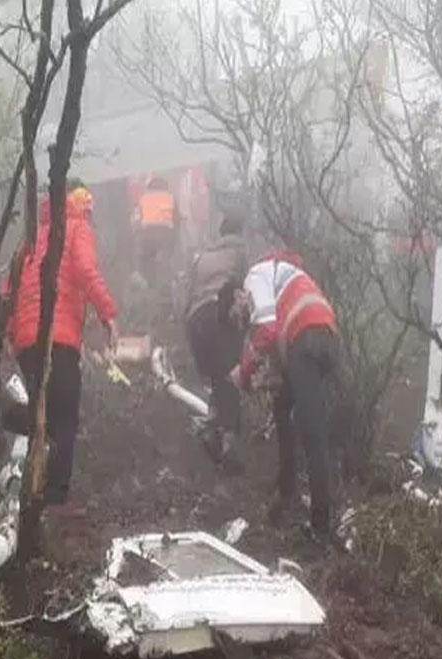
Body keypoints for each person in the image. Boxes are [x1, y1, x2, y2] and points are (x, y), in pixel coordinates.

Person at [8, 182, 117, 513]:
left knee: (38, 415)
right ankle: (55, 497)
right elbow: (84, 270)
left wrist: (12, 339)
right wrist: (108, 313)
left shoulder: (31, 237)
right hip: (59, 337)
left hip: (27, 341)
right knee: (64, 416)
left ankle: (27, 488)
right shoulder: (76, 227)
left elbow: (8, 289)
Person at [230, 253, 338, 538]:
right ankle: (286, 494)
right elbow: (277, 346)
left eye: (238, 312)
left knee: (312, 433)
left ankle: (320, 526)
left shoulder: (254, 276)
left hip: (305, 334)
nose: (243, 318)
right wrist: (266, 378)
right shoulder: (282, 280)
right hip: (324, 336)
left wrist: (244, 373)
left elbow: (266, 330)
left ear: (239, 295)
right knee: (283, 407)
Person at [183, 215, 248, 468]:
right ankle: (229, 443)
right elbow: (245, 288)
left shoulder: (203, 256)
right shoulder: (239, 250)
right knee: (230, 379)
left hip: (195, 321)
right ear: (239, 232)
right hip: (217, 314)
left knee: (217, 379)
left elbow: (188, 294)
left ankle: (211, 429)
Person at [134, 175, 178, 288]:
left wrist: (138, 233)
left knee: (146, 260)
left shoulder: (143, 198)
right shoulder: (170, 197)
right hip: (165, 234)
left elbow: (137, 219)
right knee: (166, 258)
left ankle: (150, 283)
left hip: (147, 235)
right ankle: (167, 283)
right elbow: (177, 219)